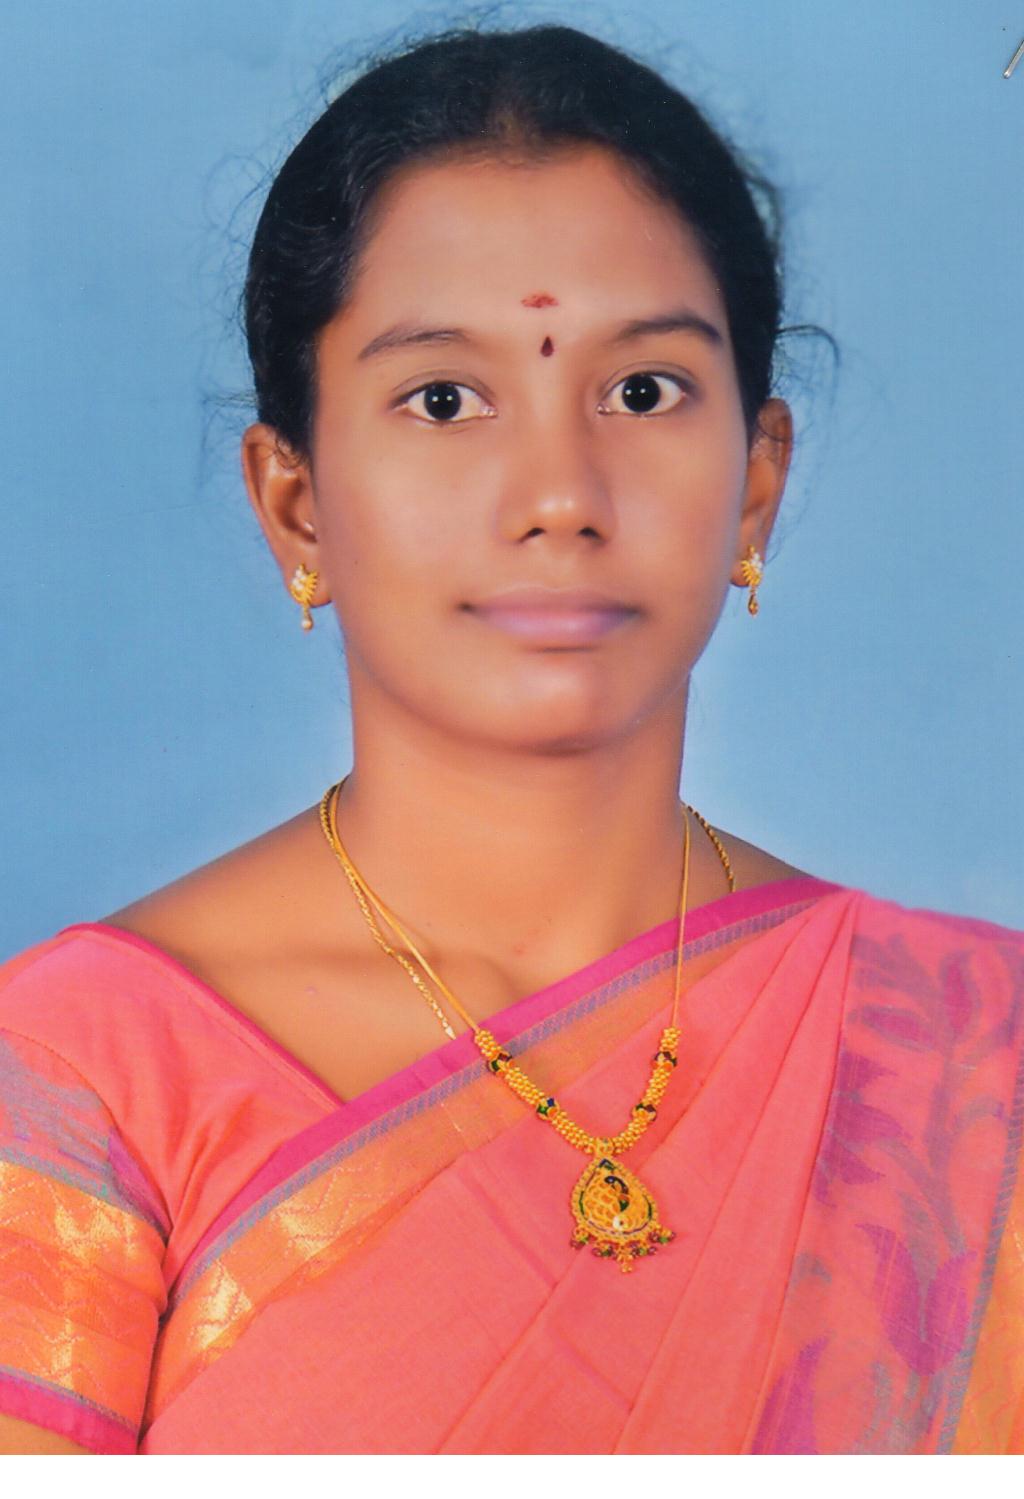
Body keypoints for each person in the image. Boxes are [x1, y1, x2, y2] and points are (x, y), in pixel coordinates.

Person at [0, 21, 1021, 1457]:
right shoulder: (78, 1081)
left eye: (643, 391)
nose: (559, 494)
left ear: (755, 482)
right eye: (444, 400)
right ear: (296, 503)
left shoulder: (971, 1063)